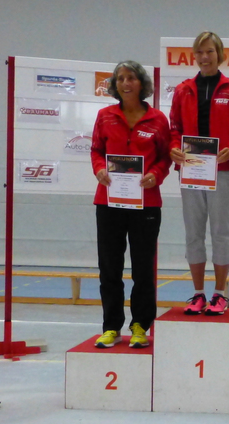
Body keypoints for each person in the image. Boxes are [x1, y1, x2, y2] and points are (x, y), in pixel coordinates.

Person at [169, 31, 229, 316]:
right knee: (193, 232)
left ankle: (219, 293)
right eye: (200, 52)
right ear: (195, 56)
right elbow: (174, 128)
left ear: (220, 54)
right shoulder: (183, 89)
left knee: (220, 231)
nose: (205, 57)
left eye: (210, 51)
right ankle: (197, 293)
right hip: (191, 169)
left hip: (222, 170)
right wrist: (174, 148)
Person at [91, 60, 171, 348]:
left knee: (143, 269)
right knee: (109, 268)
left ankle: (140, 326)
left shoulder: (158, 119)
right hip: (109, 201)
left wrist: (156, 175)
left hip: (146, 204)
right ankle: (112, 326)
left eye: (132, 78)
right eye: (121, 78)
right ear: (115, 85)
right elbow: (96, 150)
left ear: (141, 83)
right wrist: (100, 169)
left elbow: (165, 157)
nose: (126, 83)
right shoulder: (105, 116)